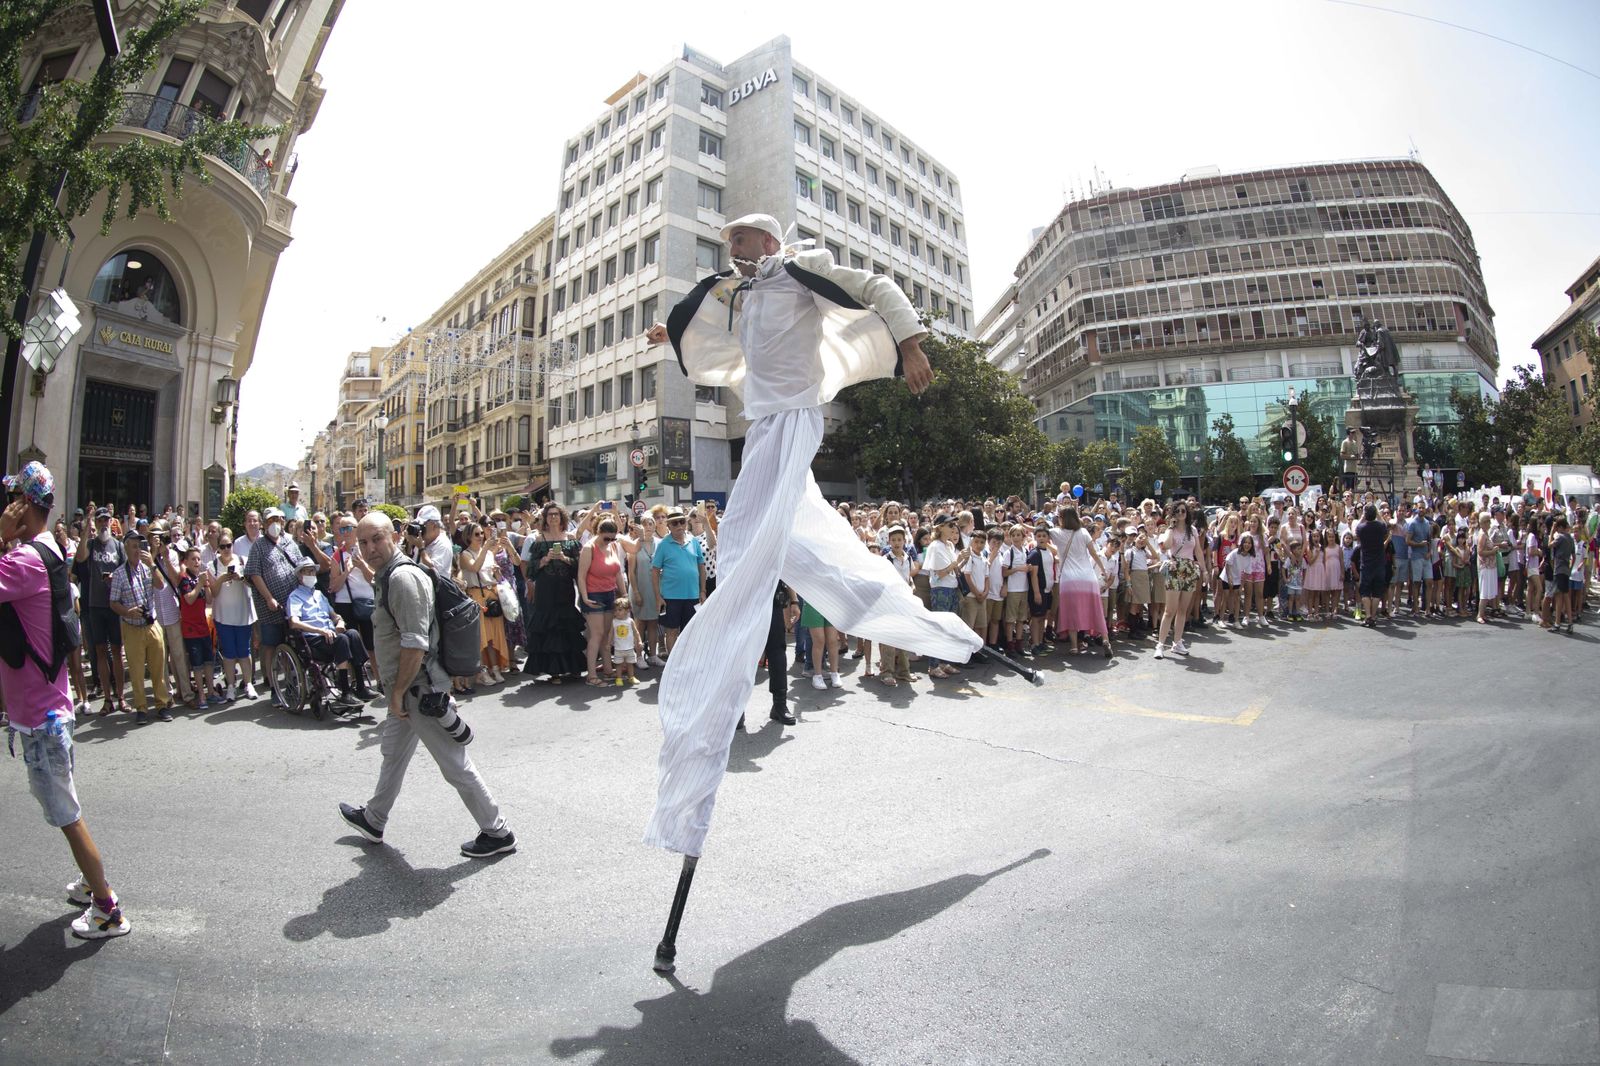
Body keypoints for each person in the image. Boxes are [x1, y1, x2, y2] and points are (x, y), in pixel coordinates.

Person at [640, 212, 980, 856]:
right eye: (727, 244)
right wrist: (673, 336)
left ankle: (720, 669)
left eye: (739, 240)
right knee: (788, 546)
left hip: (796, 418)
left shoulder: (801, 272)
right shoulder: (740, 294)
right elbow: (737, 348)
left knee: (743, 544)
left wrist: (909, 344)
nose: (730, 250)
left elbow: (880, 289)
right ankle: (920, 626)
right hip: (765, 423)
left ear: (768, 241)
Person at [1, 462, 130, 938]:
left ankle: (107, 906)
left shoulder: (20, 561)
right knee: (65, 805)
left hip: (40, 715)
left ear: (21, 506)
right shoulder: (47, 549)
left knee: (66, 815)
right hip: (51, 705)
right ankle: (90, 880)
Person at [338, 513, 516, 858]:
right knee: (393, 755)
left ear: (394, 537)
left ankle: (498, 831)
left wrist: (400, 693)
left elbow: (415, 644)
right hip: (405, 688)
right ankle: (374, 819)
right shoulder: (389, 574)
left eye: (376, 539)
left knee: (455, 764)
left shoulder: (402, 579)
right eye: (363, 542)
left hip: (417, 689)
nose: (370, 547)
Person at [286, 556, 373, 708]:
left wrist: (339, 621)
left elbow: (334, 615)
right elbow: (294, 622)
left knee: (352, 633)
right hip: (313, 639)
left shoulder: (319, 595)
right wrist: (321, 630)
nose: (311, 575)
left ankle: (361, 687)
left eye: (313, 572)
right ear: (300, 576)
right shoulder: (295, 597)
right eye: (307, 572)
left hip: (330, 634)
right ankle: (345, 693)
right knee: (342, 640)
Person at [108, 527, 172, 723]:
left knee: (158, 667)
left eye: (140, 546)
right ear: (126, 548)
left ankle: (162, 704)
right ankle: (141, 708)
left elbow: (161, 585)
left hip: (151, 624)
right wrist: (127, 611)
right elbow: (113, 602)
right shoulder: (119, 574)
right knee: (136, 671)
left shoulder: (147, 567)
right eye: (134, 546)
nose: (137, 550)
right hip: (132, 626)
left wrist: (152, 565)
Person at [243, 506, 305, 708]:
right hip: (269, 606)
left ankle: (291, 683)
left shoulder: (289, 541)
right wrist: (269, 598)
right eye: (270, 520)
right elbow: (254, 574)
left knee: (291, 643)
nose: (275, 524)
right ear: (265, 523)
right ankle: (272, 687)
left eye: (278, 519)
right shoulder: (259, 546)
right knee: (270, 645)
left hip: (291, 604)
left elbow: (299, 566)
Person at [520, 502, 588, 683]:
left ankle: (573, 667)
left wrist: (565, 559)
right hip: (545, 590)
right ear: (545, 518)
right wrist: (544, 559)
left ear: (562, 517)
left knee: (567, 626)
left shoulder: (570, 537)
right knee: (549, 626)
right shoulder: (539, 539)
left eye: (556, 514)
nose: (553, 518)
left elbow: (578, 566)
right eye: (550, 515)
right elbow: (530, 569)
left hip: (565, 589)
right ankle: (554, 672)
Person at [74, 507, 127, 715]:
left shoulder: (119, 546)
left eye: (107, 520)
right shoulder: (90, 544)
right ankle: (107, 699)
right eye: (100, 521)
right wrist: (87, 528)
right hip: (95, 605)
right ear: (96, 523)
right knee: (100, 652)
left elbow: (125, 570)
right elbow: (79, 559)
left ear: (111, 522)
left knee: (116, 651)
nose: (104, 524)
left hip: (114, 605)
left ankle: (121, 697)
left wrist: (115, 579)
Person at [209, 532, 259, 701]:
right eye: (222, 546)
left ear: (232, 545)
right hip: (223, 616)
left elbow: (253, 583)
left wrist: (241, 578)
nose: (225, 549)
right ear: (218, 548)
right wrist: (222, 579)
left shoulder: (243, 561)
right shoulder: (212, 565)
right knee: (229, 653)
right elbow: (213, 593)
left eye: (228, 545)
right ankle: (230, 686)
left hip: (243, 615)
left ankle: (248, 684)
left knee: (244, 651)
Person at [578, 517, 627, 687]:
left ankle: (607, 669)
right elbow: (581, 576)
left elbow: (618, 573)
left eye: (613, 538)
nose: (610, 541)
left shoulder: (612, 546)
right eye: (606, 538)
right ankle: (591, 675)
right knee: (596, 635)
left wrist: (625, 594)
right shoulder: (588, 548)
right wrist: (584, 597)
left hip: (609, 593)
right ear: (598, 532)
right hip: (593, 595)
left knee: (606, 635)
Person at [651, 510, 705, 657]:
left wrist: (702, 591)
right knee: (672, 631)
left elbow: (701, 566)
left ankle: (687, 662)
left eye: (682, 521)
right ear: (669, 525)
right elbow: (655, 571)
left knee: (691, 631)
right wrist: (658, 597)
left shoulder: (693, 541)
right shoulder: (663, 544)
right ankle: (673, 665)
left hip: (693, 595)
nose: (679, 525)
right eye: (675, 523)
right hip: (671, 597)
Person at [175, 547, 217, 709]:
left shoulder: (200, 578)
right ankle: (201, 695)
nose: (196, 562)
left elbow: (208, 600)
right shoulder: (184, 578)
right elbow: (189, 599)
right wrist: (199, 584)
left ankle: (211, 692)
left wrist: (205, 585)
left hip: (203, 626)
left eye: (198, 559)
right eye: (193, 559)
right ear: (185, 562)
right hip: (190, 629)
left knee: (208, 661)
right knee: (197, 664)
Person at [1355, 504, 1389, 628]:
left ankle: (1368, 616)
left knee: (1365, 591)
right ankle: (1373, 617)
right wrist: (1379, 515)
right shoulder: (1380, 526)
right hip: (1379, 563)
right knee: (1376, 591)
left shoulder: (1362, 527)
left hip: (1366, 563)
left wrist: (1363, 517)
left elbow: (1356, 530)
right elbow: (1386, 528)